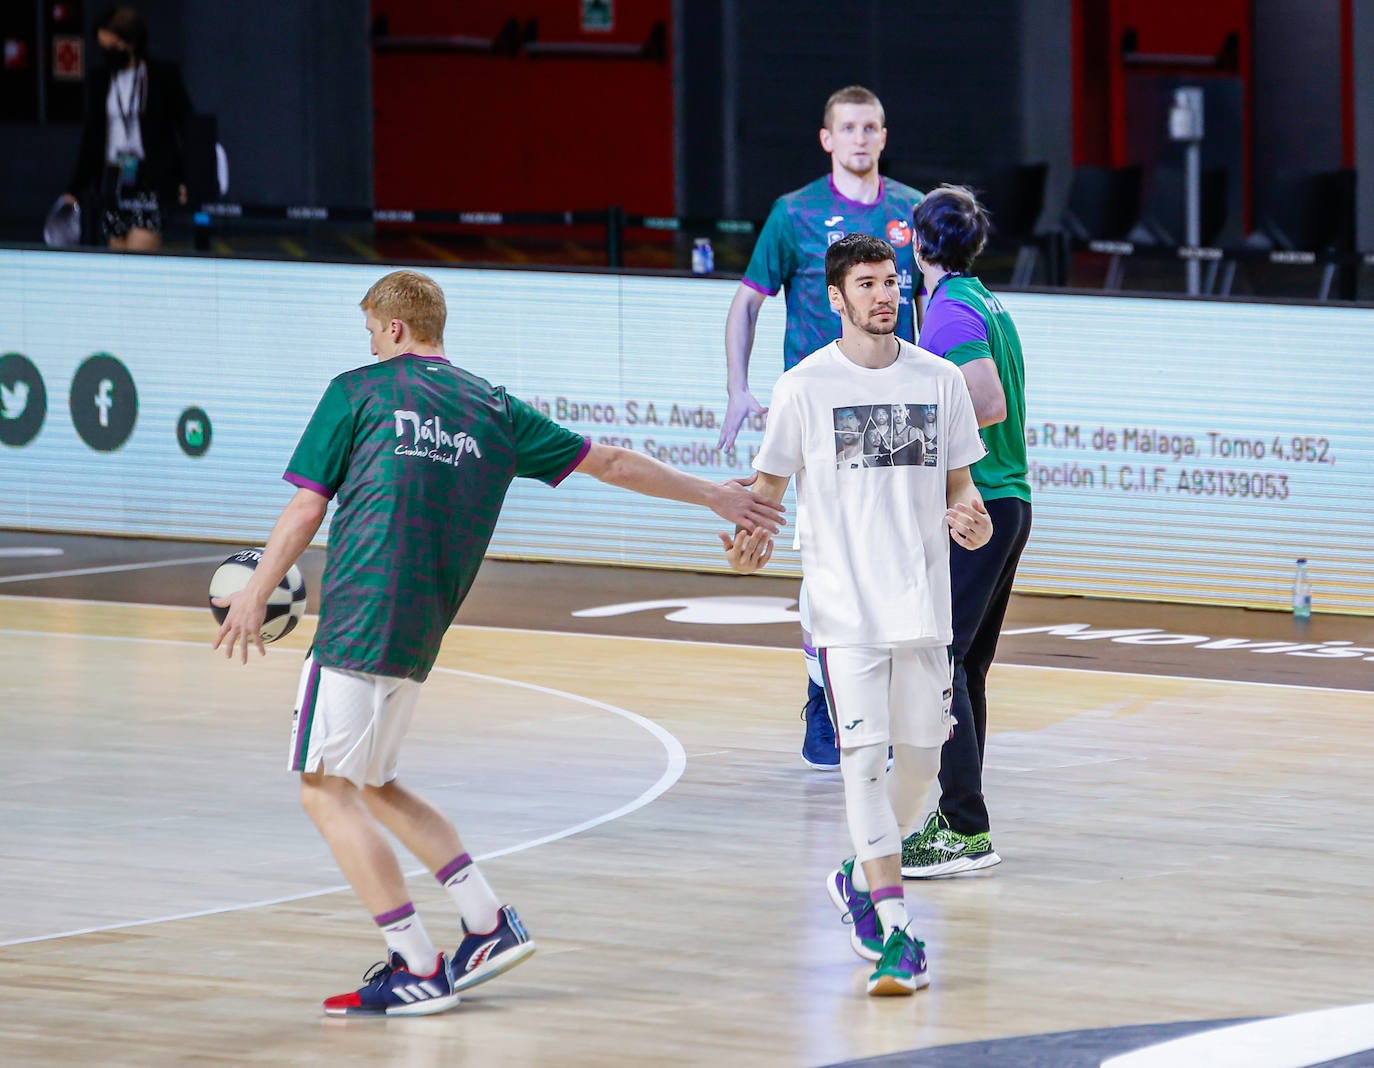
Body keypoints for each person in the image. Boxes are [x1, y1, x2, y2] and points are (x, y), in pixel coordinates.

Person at [212, 269, 785, 1017]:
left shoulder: (357, 390)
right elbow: (610, 461)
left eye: (369, 331)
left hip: (359, 613)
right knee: (376, 785)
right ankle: (487, 923)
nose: (369, 343)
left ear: (391, 329)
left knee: (323, 789)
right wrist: (713, 492)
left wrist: (257, 588)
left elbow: (305, 506)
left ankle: (416, 962)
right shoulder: (491, 406)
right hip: (422, 623)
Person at [718, 234, 991, 995]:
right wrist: (749, 545)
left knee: (925, 767)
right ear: (835, 298)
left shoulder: (939, 380)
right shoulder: (805, 387)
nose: (884, 295)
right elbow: (766, 495)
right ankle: (898, 931)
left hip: (922, 610)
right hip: (844, 614)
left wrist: (972, 518)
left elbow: (962, 488)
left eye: (892, 282)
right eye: (867, 284)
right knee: (864, 764)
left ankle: (858, 874)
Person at [716, 85, 925, 771]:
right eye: (849, 128)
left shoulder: (909, 211)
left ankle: (881, 704)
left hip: (896, 410)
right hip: (821, 411)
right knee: (832, 558)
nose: (861, 138)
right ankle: (822, 698)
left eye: (872, 126)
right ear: (828, 139)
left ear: (884, 137)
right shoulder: (795, 213)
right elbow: (747, 302)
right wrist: (737, 388)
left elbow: (930, 305)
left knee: (894, 553)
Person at [899, 185, 1032, 879]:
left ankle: (965, 825)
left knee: (936, 663)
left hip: (983, 507)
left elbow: (985, 402)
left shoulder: (949, 309)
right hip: (1008, 502)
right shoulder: (984, 301)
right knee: (963, 664)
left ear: (918, 244)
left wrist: (885, 445)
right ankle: (962, 820)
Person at [62, 6, 191, 251]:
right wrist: (74, 188)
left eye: (113, 47)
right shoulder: (101, 80)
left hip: (150, 177)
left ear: (130, 43)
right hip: (115, 177)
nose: (107, 53)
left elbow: (186, 127)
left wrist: (187, 180)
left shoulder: (162, 76)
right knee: (118, 255)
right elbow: (92, 138)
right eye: (103, 47)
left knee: (138, 252)